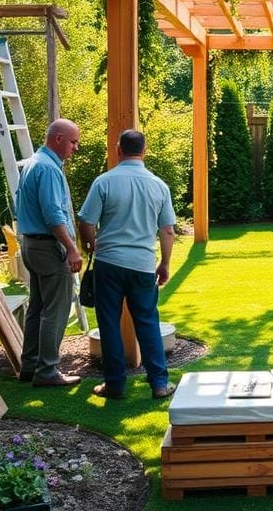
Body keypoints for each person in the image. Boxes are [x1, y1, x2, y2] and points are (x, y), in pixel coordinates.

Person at [77, 129, 176, 400]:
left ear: (118, 149)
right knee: (147, 322)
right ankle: (158, 383)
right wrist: (165, 263)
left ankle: (115, 384)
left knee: (109, 322)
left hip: (109, 263)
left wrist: (91, 245)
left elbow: (86, 221)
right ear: (144, 151)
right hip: (143, 264)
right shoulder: (158, 185)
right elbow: (167, 231)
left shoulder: (104, 182)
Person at [16, 118, 82, 387]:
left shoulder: (32, 163)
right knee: (56, 309)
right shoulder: (49, 169)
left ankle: (30, 366)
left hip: (30, 245)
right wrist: (72, 249)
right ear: (58, 139)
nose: (75, 148)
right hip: (48, 247)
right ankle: (47, 371)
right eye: (73, 142)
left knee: (38, 307)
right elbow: (54, 215)